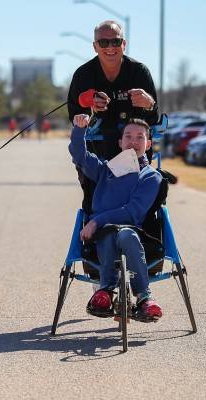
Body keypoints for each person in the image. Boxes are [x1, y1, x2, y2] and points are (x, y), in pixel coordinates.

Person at [69, 115, 163, 321]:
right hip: (103, 233)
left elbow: (133, 211)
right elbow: (80, 156)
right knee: (109, 235)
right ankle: (105, 291)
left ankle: (144, 297)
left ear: (148, 144)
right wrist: (79, 129)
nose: (133, 141)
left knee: (126, 235)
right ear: (120, 142)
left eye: (139, 137)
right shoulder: (106, 169)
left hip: (132, 230)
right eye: (128, 136)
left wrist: (96, 220)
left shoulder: (151, 176)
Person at [67, 20, 159, 217]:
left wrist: (149, 103)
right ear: (95, 46)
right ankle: (94, 229)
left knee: (138, 197)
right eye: (103, 42)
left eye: (115, 42)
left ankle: (140, 231)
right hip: (97, 149)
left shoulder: (139, 72)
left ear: (123, 44)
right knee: (95, 197)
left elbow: (154, 116)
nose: (110, 47)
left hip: (133, 149)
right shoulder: (83, 75)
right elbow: (74, 116)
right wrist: (89, 109)